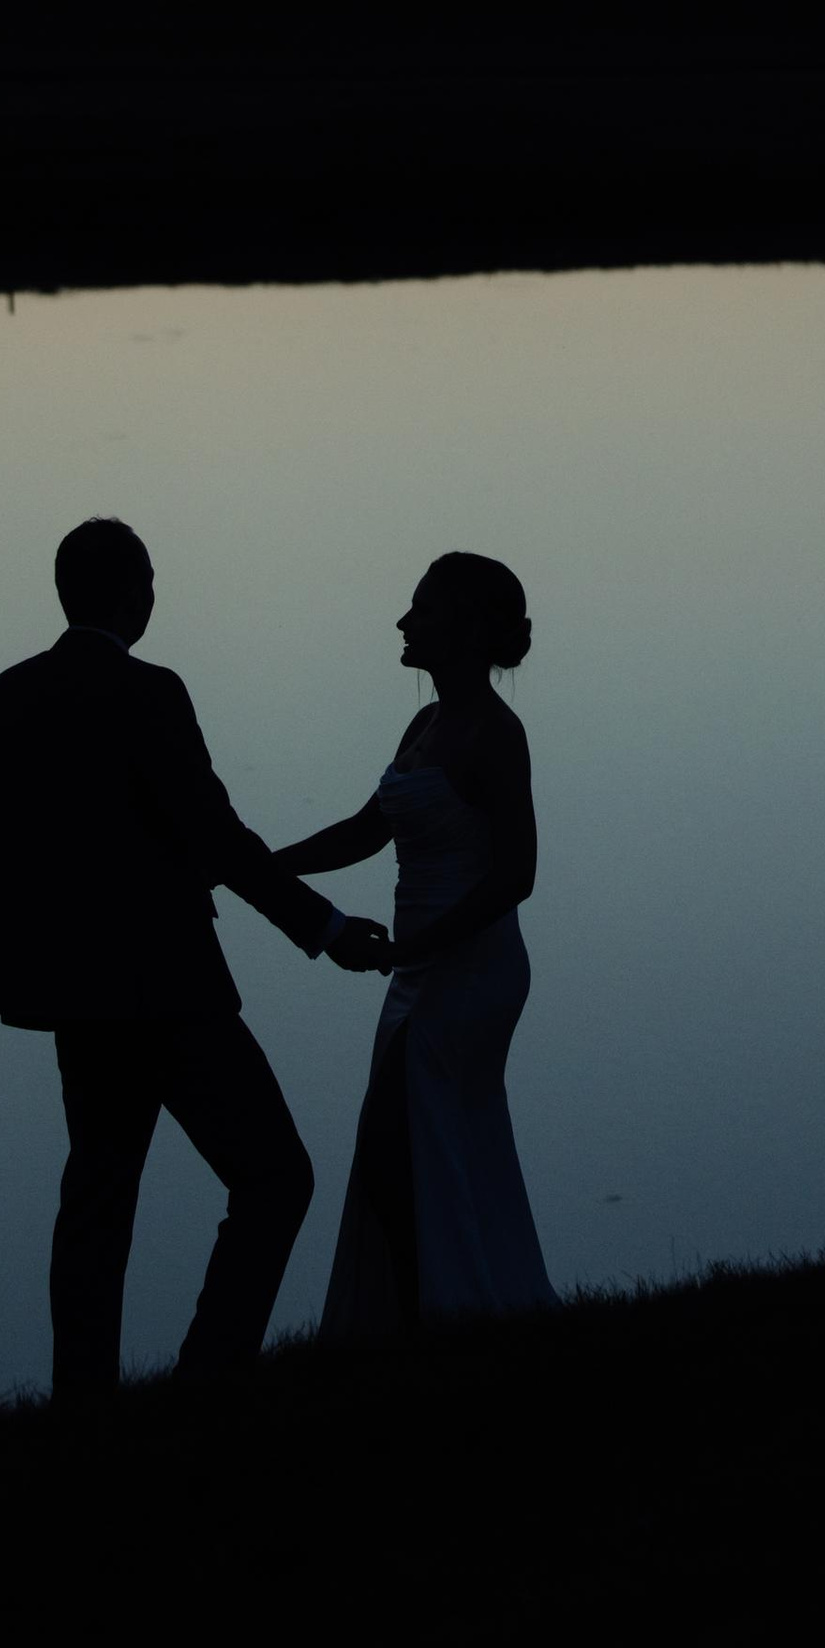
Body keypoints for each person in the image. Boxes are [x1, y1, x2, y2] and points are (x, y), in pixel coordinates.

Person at [0, 516, 391, 1396]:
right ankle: (212, 1370)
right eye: (151, 584)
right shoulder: (151, 693)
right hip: (168, 988)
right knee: (276, 1176)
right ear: (132, 593)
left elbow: (2, 847)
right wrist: (324, 928)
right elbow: (215, 834)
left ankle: (82, 1395)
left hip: (73, 996)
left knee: (97, 1200)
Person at [275, 550, 556, 1336]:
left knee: (406, 1140)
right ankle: (437, 1309)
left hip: (469, 969)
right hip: (419, 966)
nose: (404, 622)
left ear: (464, 628)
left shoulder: (498, 735)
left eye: (423, 610)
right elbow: (368, 829)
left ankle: (439, 1311)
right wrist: (263, 867)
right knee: (419, 1144)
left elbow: (517, 876)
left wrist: (412, 947)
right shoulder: (426, 722)